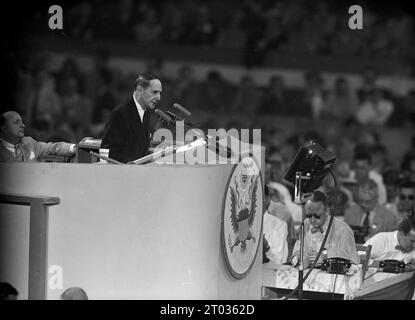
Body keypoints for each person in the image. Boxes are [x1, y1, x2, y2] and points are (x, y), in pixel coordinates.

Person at [100, 73, 162, 163]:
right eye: (154, 92)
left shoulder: (146, 113)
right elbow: (108, 151)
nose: (159, 97)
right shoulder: (119, 114)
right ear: (140, 90)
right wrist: (131, 164)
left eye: (160, 93)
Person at [291, 191, 359, 269]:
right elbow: (296, 252)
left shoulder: (343, 229)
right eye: (309, 215)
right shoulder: (306, 224)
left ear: (327, 211)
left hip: (334, 278)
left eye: (317, 216)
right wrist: (299, 259)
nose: (312, 220)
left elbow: (353, 261)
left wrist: (326, 258)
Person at [0, 111, 77, 162]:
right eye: (16, 122)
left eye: (22, 122)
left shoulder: (28, 142)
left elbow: (52, 147)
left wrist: (74, 148)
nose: (23, 125)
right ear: (4, 128)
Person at [344, 179, 399, 243]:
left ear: (376, 198)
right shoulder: (350, 212)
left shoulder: (389, 218)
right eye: (361, 200)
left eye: (367, 202)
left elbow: (392, 243)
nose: (363, 204)